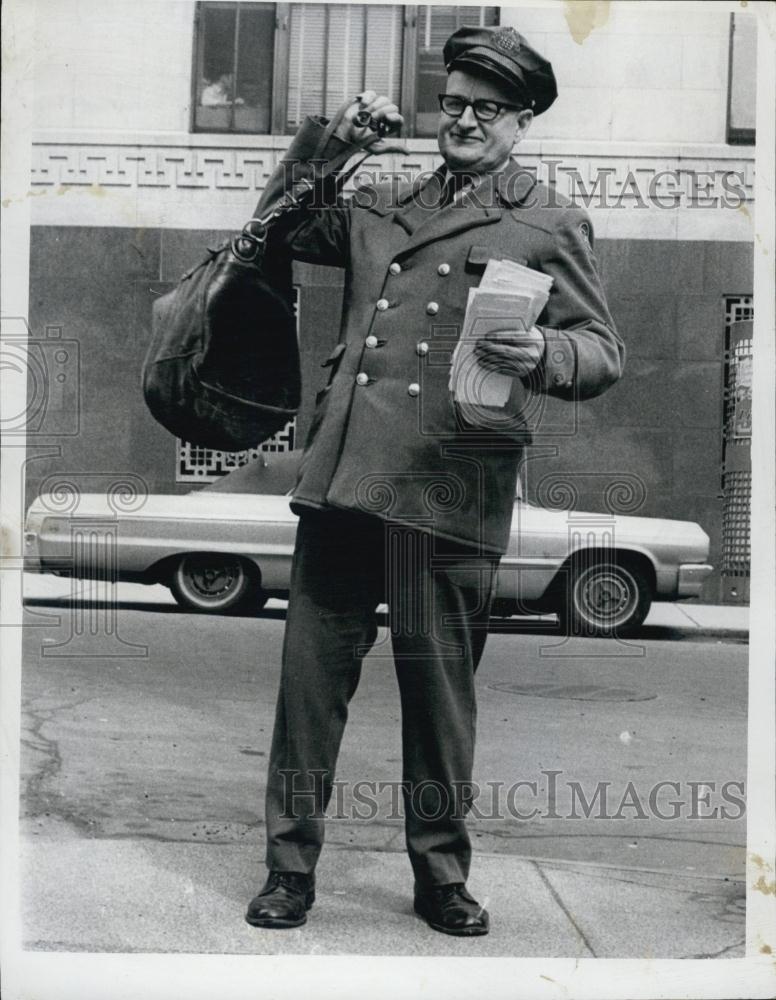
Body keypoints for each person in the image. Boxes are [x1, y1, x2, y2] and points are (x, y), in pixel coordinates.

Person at [245, 25, 624, 937]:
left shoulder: (548, 220)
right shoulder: (383, 202)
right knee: (309, 692)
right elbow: (278, 226)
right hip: (346, 483)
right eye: (450, 104)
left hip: (451, 489)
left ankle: (441, 877)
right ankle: (289, 871)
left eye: (484, 111)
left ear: (521, 122)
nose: (462, 121)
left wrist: (545, 348)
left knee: (440, 698)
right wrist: (339, 142)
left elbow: (604, 352)